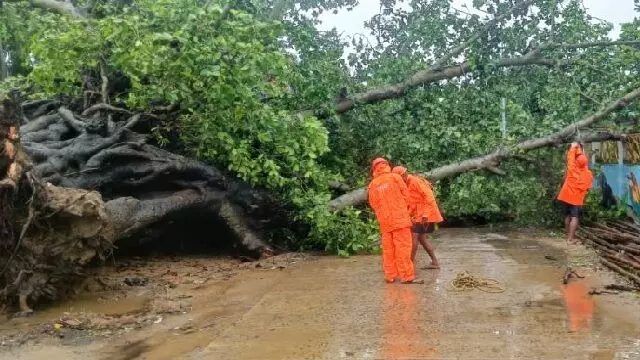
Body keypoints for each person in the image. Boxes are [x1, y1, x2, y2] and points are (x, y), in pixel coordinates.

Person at [368, 158, 422, 284]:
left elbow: (373, 204)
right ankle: (406, 276)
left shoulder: (373, 184)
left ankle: (390, 276)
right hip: (400, 220)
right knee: (403, 248)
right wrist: (405, 210)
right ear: (387, 165)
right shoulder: (395, 178)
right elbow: (407, 197)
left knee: (388, 250)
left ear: (374, 169)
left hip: (385, 222)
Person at [392, 166, 442, 269]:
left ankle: (409, 264)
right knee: (421, 239)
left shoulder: (415, 181)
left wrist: (425, 215)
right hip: (419, 214)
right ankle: (435, 262)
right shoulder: (407, 184)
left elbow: (429, 197)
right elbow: (413, 202)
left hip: (424, 214)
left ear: (403, 176)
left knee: (414, 236)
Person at [557, 143, 593, 245]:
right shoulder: (581, 158)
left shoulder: (571, 162)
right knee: (574, 217)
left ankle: (568, 236)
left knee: (568, 215)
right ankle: (570, 239)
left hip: (567, 193)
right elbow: (585, 162)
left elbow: (564, 178)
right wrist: (578, 149)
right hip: (576, 193)